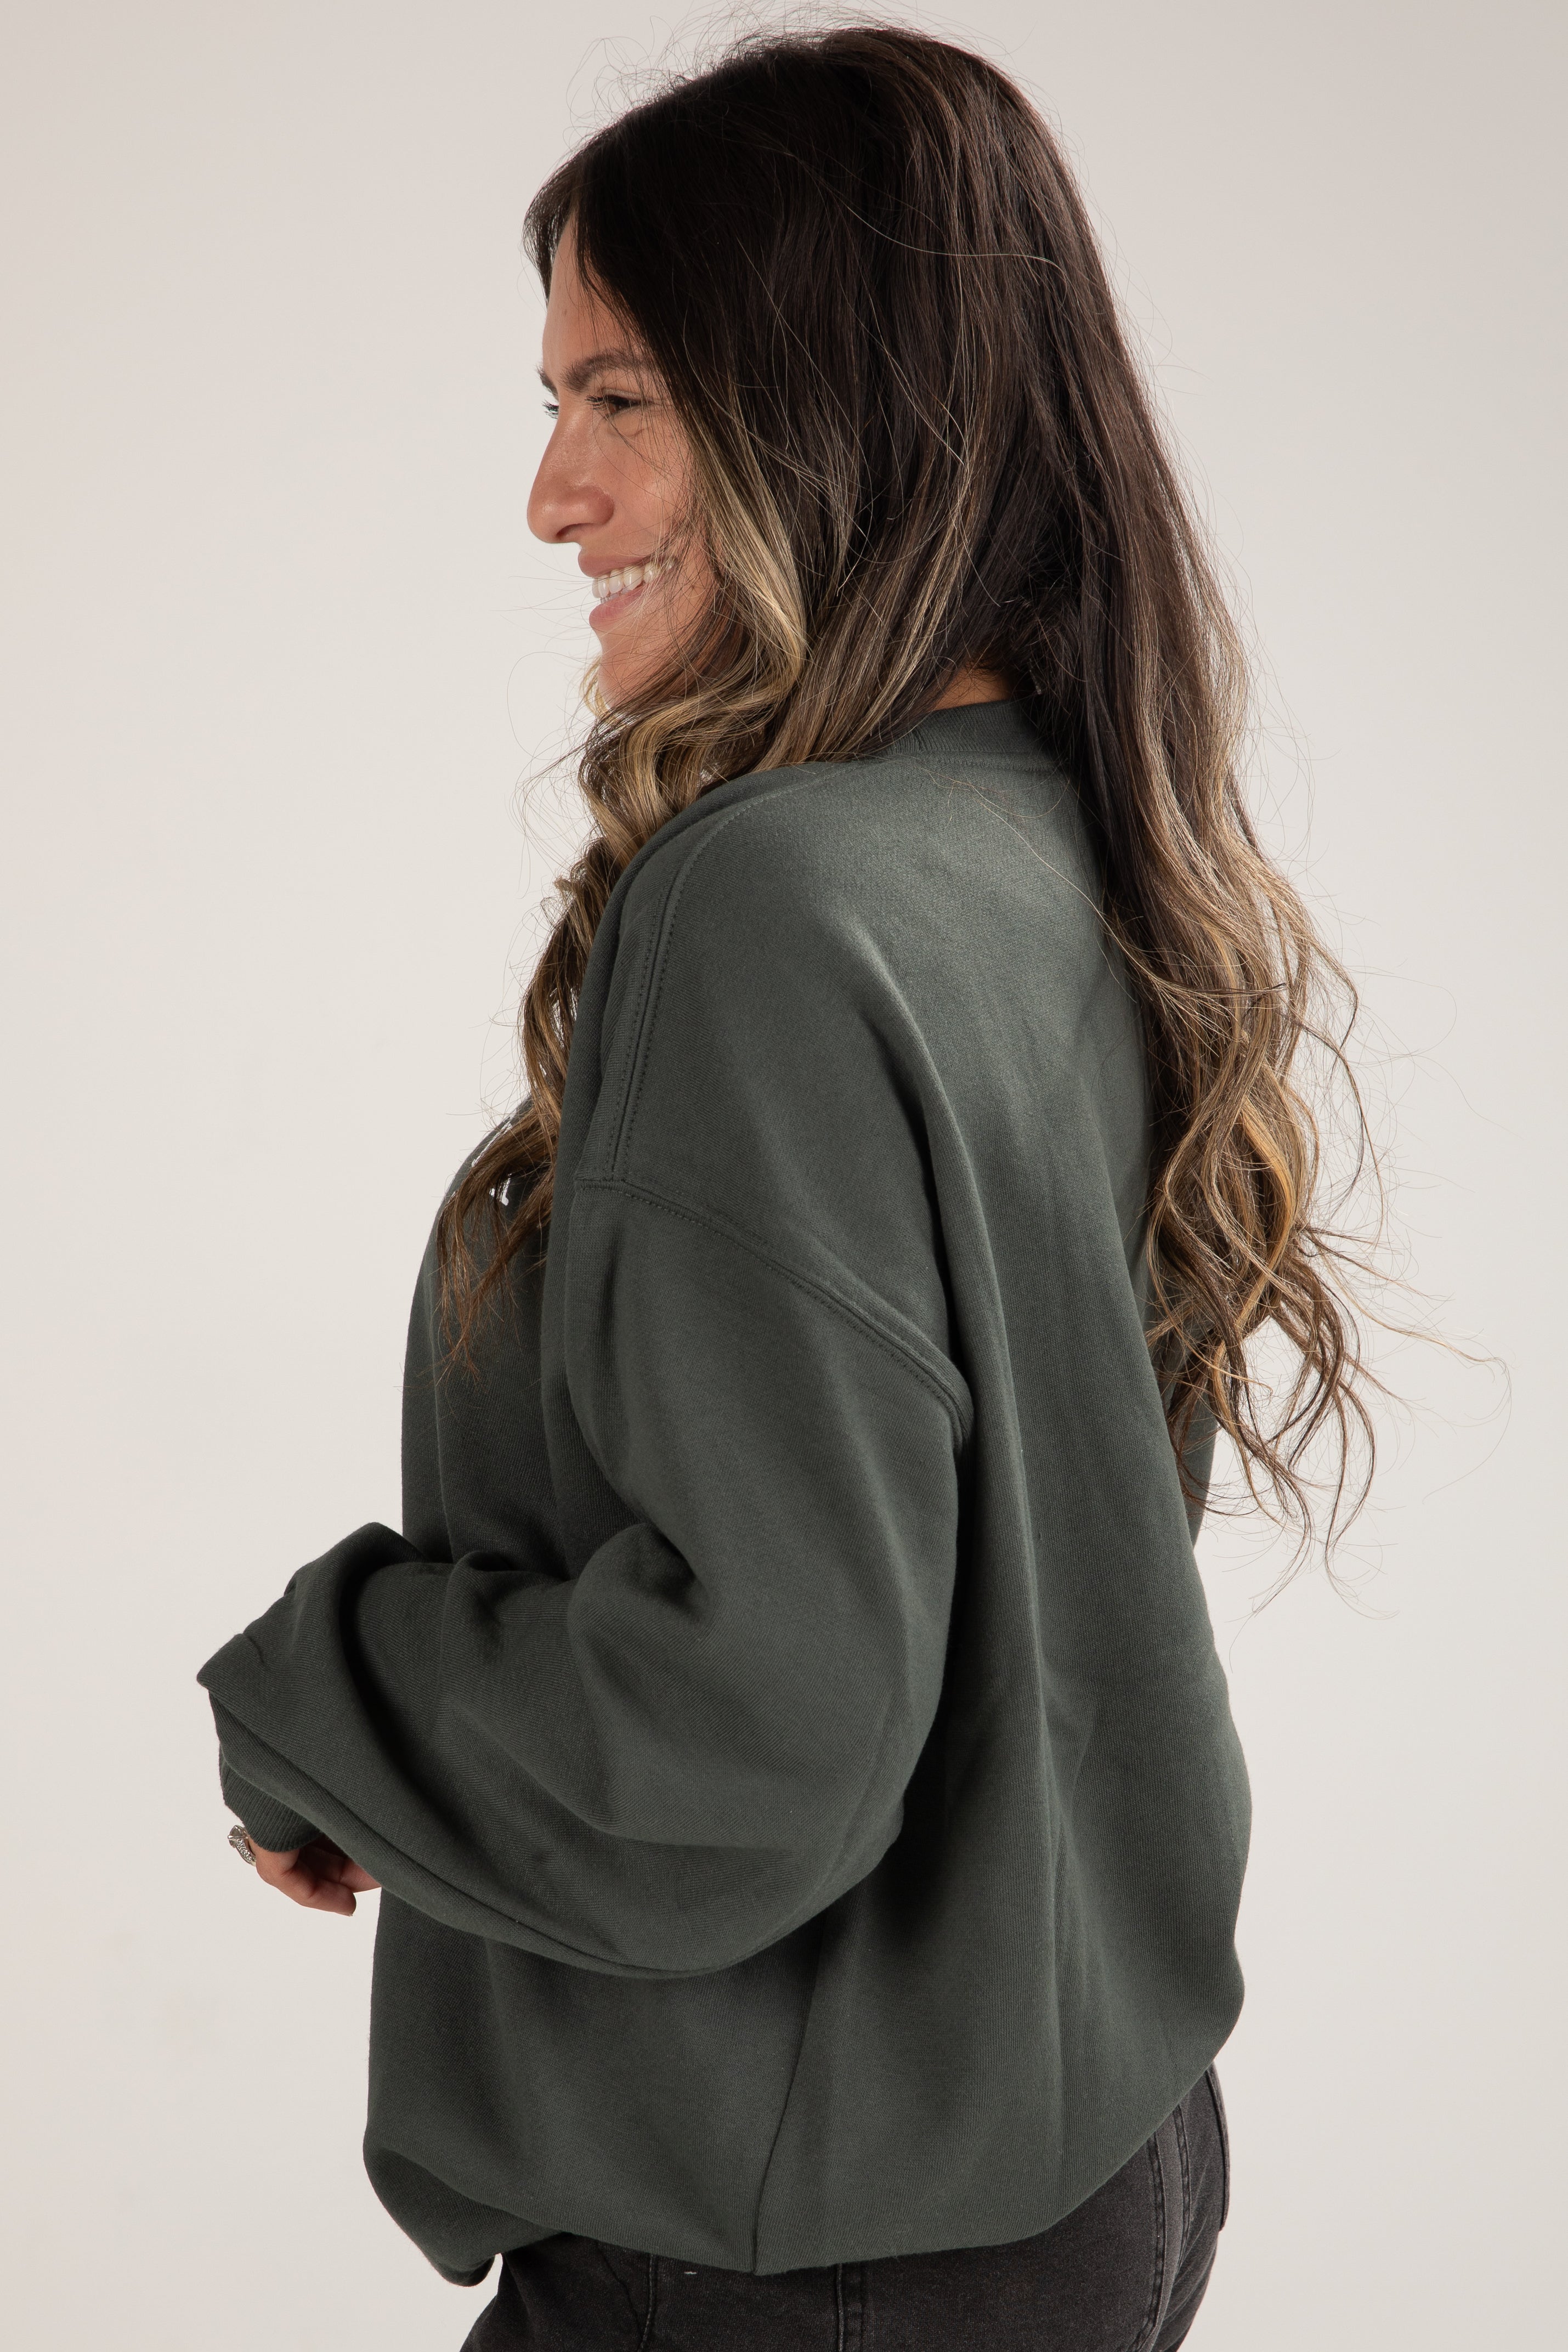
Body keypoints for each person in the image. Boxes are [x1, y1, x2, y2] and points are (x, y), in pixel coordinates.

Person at [199, 24, 1375, 2348]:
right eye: (552, 407)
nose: (553, 496)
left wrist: (324, 1693)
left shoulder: (771, 902)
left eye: (618, 402)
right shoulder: (1047, 832)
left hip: (798, 2255)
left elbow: (751, 1736)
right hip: (1063, 2163)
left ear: (836, 411)